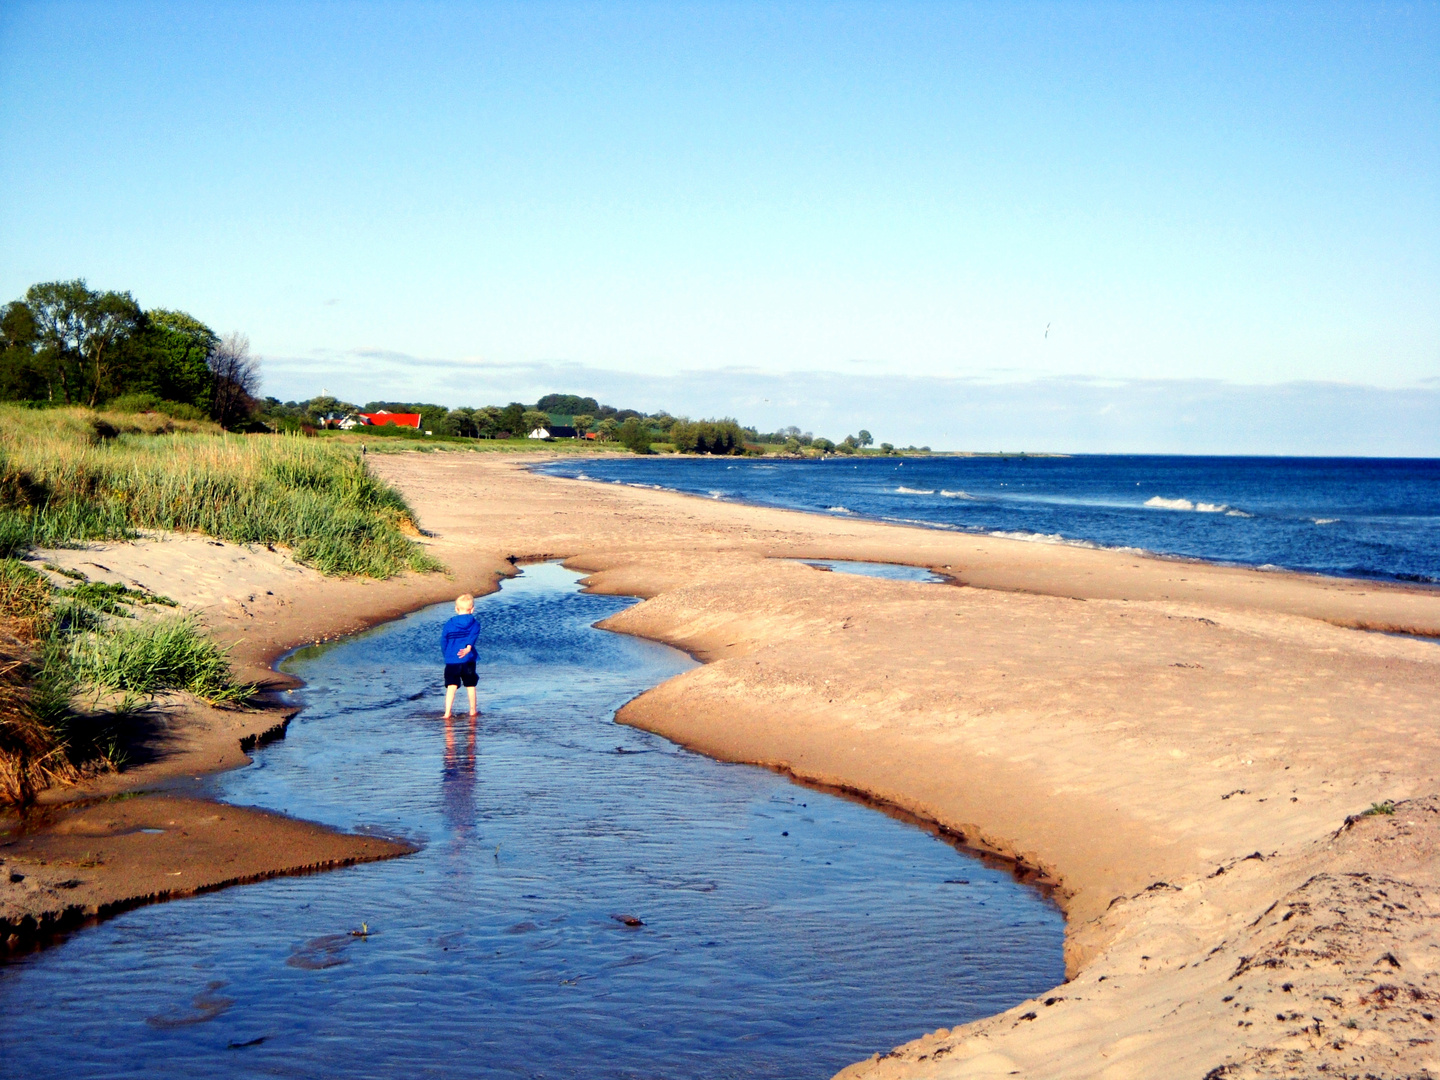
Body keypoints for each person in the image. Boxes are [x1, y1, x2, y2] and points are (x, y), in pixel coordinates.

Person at [441, 593, 480, 718]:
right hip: (468, 660)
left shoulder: (450, 623)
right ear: (472, 609)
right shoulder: (474, 623)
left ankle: (447, 713)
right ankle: (472, 710)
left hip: (452, 660)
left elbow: (443, 640)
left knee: (451, 686)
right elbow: (473, 635)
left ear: (456, 609)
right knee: (470, 685)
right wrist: (468, 647)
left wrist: (447, 654)